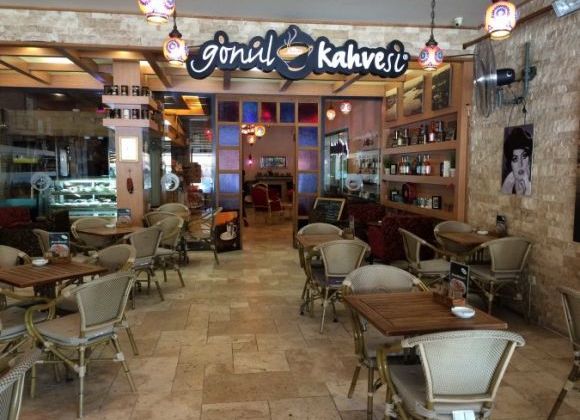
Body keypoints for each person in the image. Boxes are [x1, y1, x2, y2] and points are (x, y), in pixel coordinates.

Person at [501, 126, 533, 196]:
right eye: (515, 159)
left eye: (524, 156)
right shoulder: (506, 186)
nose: (520, 164)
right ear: (510, 164)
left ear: (529, 159)